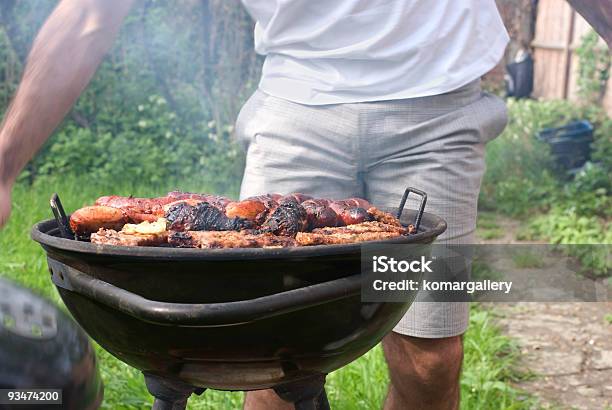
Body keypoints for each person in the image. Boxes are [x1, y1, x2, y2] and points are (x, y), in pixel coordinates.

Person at [0, 1, 608, 409]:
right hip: (297, 104)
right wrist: (3, 167)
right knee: (263, 353)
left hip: (438, 108)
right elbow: (89, 15)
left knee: (428, 358)